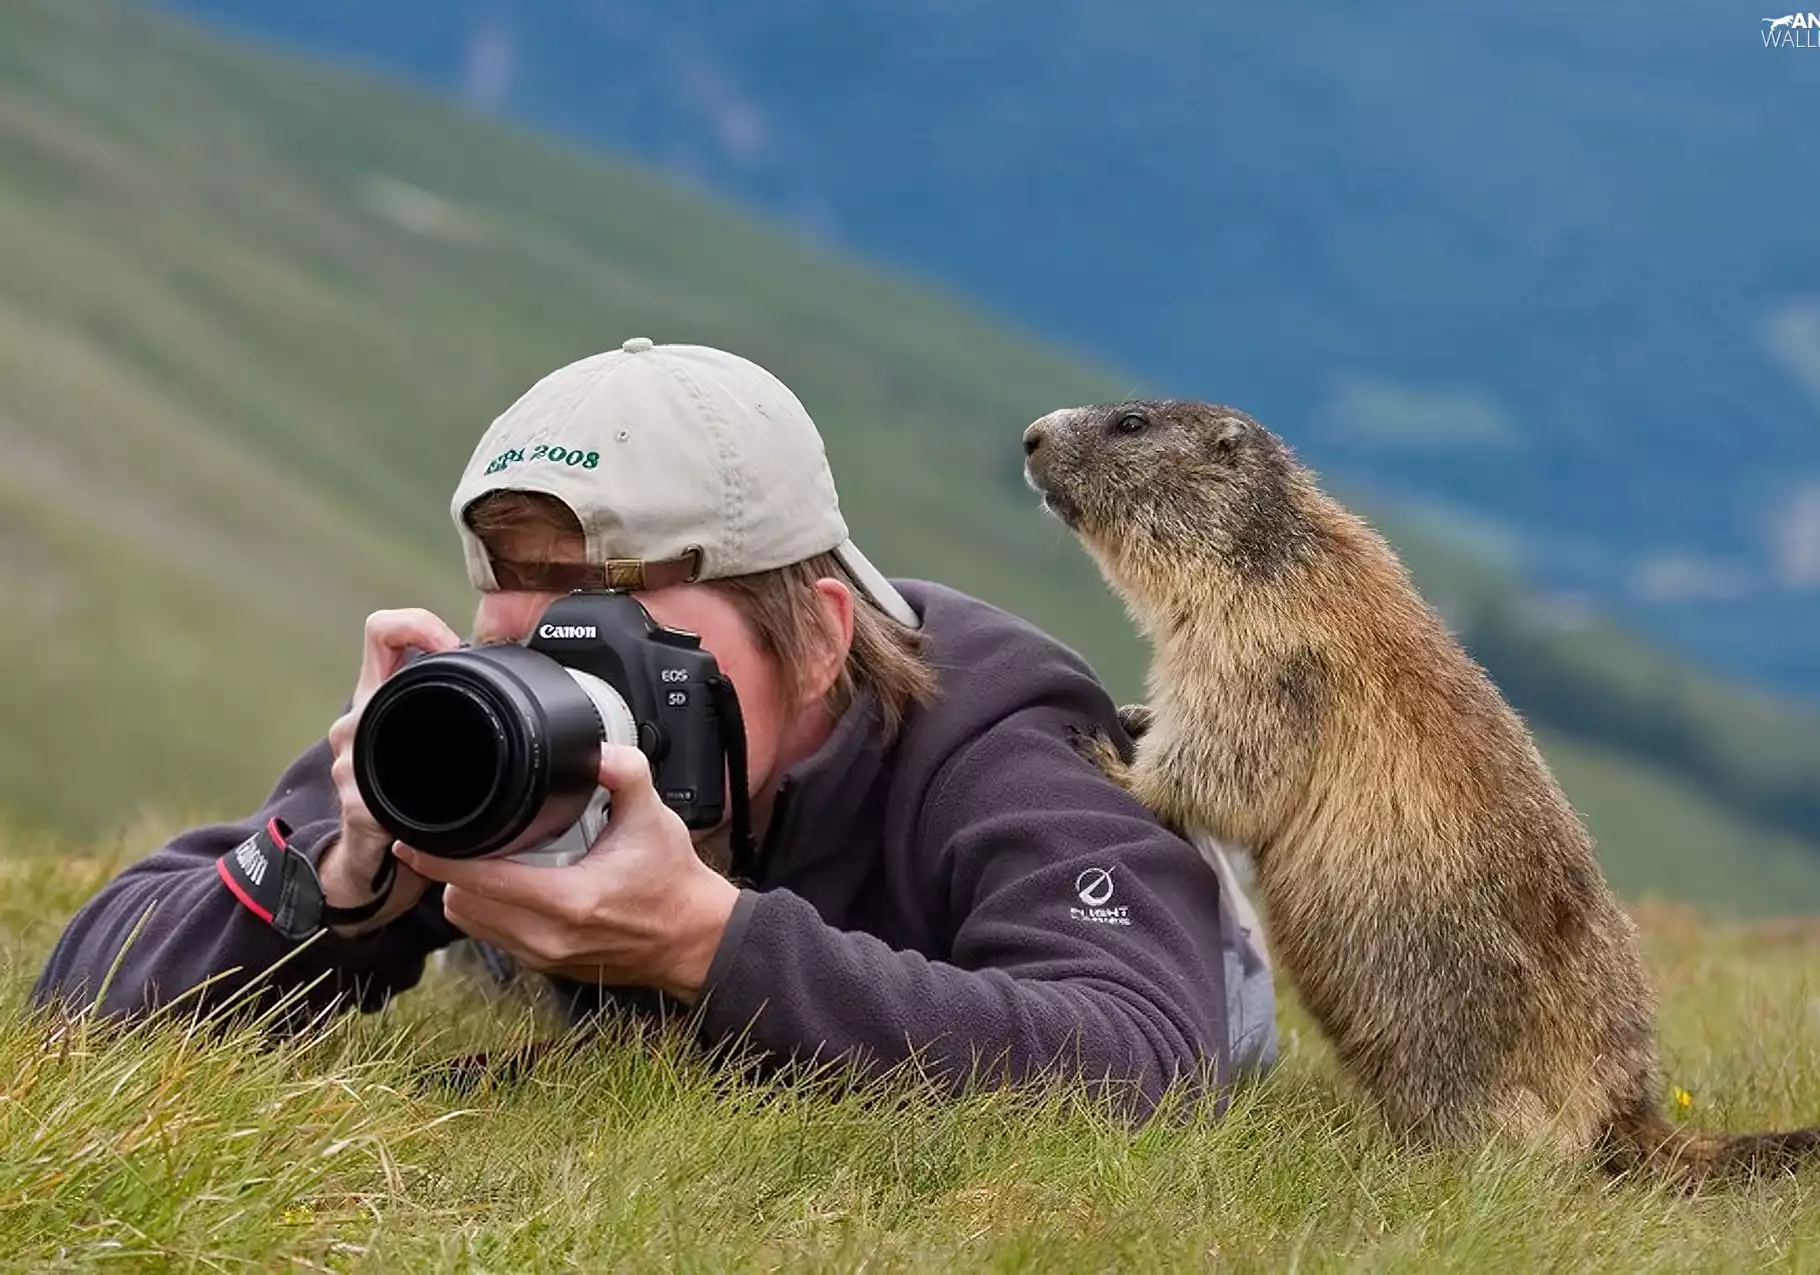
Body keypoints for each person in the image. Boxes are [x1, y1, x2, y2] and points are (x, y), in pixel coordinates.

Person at [31, 338, 1280, 1115]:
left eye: (625, 625)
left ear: (823, 632)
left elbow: (1143, 1059)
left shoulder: (992, 730)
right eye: (528, 619)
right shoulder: (490, 717)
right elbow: (84, 1008)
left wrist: (706, 945)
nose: (576, 677)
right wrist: (341, 881)